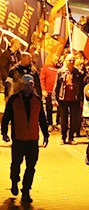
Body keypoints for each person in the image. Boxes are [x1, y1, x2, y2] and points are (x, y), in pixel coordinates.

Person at [1, 74, 49, 203]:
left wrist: (46, 134)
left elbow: (42, 118)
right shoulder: (14, 99)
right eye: (26, 84)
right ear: (22, 85)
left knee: (31, 166)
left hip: (33, 139)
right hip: (18, 138)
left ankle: (26, 190)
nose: (28, 87)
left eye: (31, 84)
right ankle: (14, 181)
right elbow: (7, 117)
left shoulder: (37, 100)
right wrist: (4, 132)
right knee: (16, 164)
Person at [52, 54, 84, 145]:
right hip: (63, 98)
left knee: (74, 119)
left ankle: (71, 137)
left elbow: (81, 86)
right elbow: (56, 86)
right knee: (64, 120)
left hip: (75, 99)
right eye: (69, 60)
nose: (71, 62)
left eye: (73, 60)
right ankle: (63, 137)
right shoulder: (60, 72)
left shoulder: (77, 72)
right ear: (65, 61)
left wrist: (81, 99)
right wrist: (54, 99)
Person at [40, 55, 60, 130]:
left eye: (57, 60)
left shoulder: (59, 69)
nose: (56, 62)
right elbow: (42, 79)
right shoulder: (46, 68)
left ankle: (58, 122)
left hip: (57, 92)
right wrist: (43, 90)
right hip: (48, 91)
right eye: (55, 60)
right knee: (49, 108)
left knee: (60, 108)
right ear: (52, 59)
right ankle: (50, 123)